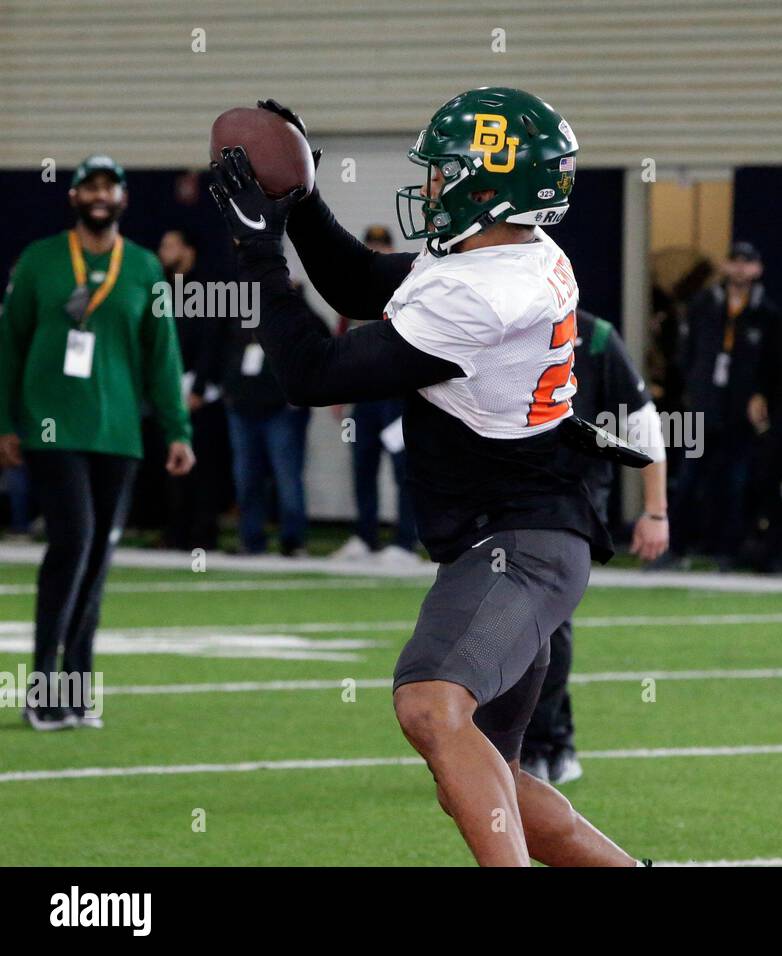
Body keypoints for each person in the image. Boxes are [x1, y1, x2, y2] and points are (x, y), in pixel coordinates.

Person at [208, 91, 643, 866]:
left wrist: (256, 253)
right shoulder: (508, 256)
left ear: (491, 182)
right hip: (523, 530)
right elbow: (361, 284)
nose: (432, 185)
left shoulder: (488, 290)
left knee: (430, 707)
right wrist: (301, 202)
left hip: (520, 540)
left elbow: (312, 373)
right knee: (482, 774)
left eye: (445, 170)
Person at [0, 154, 194, 730]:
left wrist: (177, 428)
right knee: (74, 541)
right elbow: (8, 345)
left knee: (98, 557)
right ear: (75, 197)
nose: (100, 196)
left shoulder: (141, 268)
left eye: (110, 187)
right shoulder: (39, 260)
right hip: (51, 426)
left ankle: (77, 687)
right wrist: (6, 423)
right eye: (90, 187)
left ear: (124, 199)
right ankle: (41, 687)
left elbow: (163, 354)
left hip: (119, 435)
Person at [522, 308, 669, 784]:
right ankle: (540, 739)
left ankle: (542, 743)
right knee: (517, 621)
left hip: (574, 496)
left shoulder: (597, 338)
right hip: (504, 492)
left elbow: (643, 424)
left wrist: (655, 511)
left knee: (549, 619)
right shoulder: (496, 323)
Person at [673, 241, 782, 564]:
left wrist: (762, 395)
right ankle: (676, 547)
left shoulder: (767, 312)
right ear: (726, 266)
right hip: (702, 405)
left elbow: (776, 364)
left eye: (747, 263)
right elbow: (686, 353)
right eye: (735, 261)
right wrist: (693, 389)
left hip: (740, 410)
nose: (740, 268)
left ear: (757, 269)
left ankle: (728, 552)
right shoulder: (704, 304)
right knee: (688, 478)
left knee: (736, 481)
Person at [331, 225, 420, 565]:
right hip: (364, 393)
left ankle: (405, 541)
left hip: (395, 394)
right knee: (362, 465)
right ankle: (365, 536)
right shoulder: (355, 289)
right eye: (372, 247)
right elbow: (342, 341)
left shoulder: (408, 287)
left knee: (403, 469)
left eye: (382, 247)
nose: (377, 252)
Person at [221, 284, 314, 556]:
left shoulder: (291, 307)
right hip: (242, 409)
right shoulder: (239, 307)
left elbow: (317, 338)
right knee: (246, 478)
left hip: (278, 410)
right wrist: (228, 389)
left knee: (286, 477)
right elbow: (223, 345)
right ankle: (251, 539)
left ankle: (293, 540)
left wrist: (297, 297)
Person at [158, 227, 231, 551]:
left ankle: (203, 534)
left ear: (188, 250)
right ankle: (175, 532)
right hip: (171, 391)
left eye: (170, 245)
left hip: (200, 393)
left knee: (203, 467)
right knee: (173, 464)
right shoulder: (164, 289)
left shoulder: (207, 287)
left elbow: (212, 343)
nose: (163, 251)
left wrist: (199, 388)